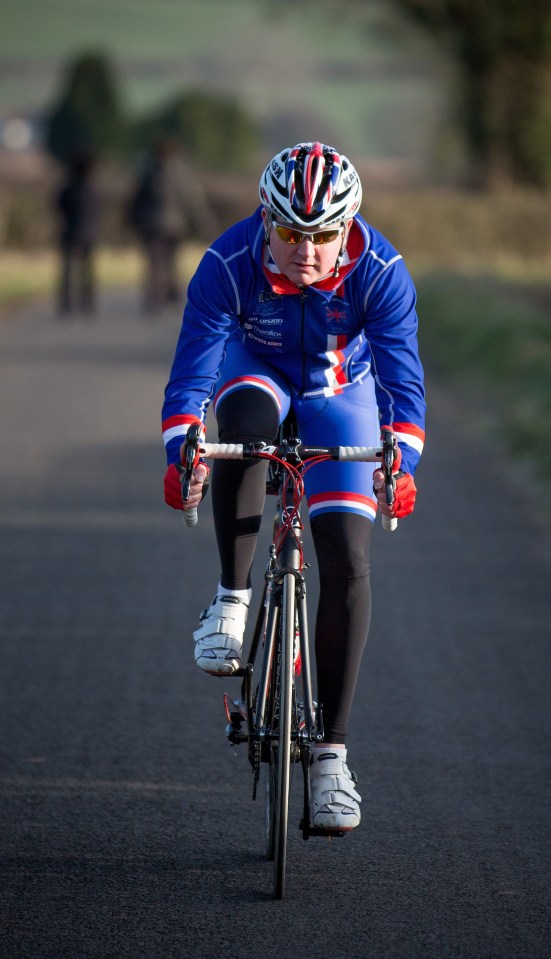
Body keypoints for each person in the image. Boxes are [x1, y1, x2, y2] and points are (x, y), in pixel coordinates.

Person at [162, 142, 426, 831]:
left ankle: (332, 758)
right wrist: (179, 451)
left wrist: (404, 463)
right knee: (240, 421)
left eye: (324, 234)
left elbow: (403, 381)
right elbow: (193, 369)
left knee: (347, 556)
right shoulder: (227, 261)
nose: (306, 250)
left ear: (349, 229)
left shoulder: (381, 270)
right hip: (261, 372)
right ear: (264, 221)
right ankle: (231, 600)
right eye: (288, 232)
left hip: (343, 391)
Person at [128, 138, 213, 313]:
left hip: (152, 225)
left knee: (154, 263)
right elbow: (194, 201)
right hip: (176, 225)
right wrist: (204, 225)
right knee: (172, 262)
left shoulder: (149, 173)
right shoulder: (182, 174)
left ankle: (154, 297)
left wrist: (133, 222)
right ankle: (171, 296)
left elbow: (137, 200)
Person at [55, 152, 101, 318]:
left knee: (68, 271)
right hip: (90, 233)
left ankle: (67, 304)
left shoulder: (67, 189)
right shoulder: (93, 189)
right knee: (88, 270)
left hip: (70, 232)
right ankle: (88, 302)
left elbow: (59, 207)